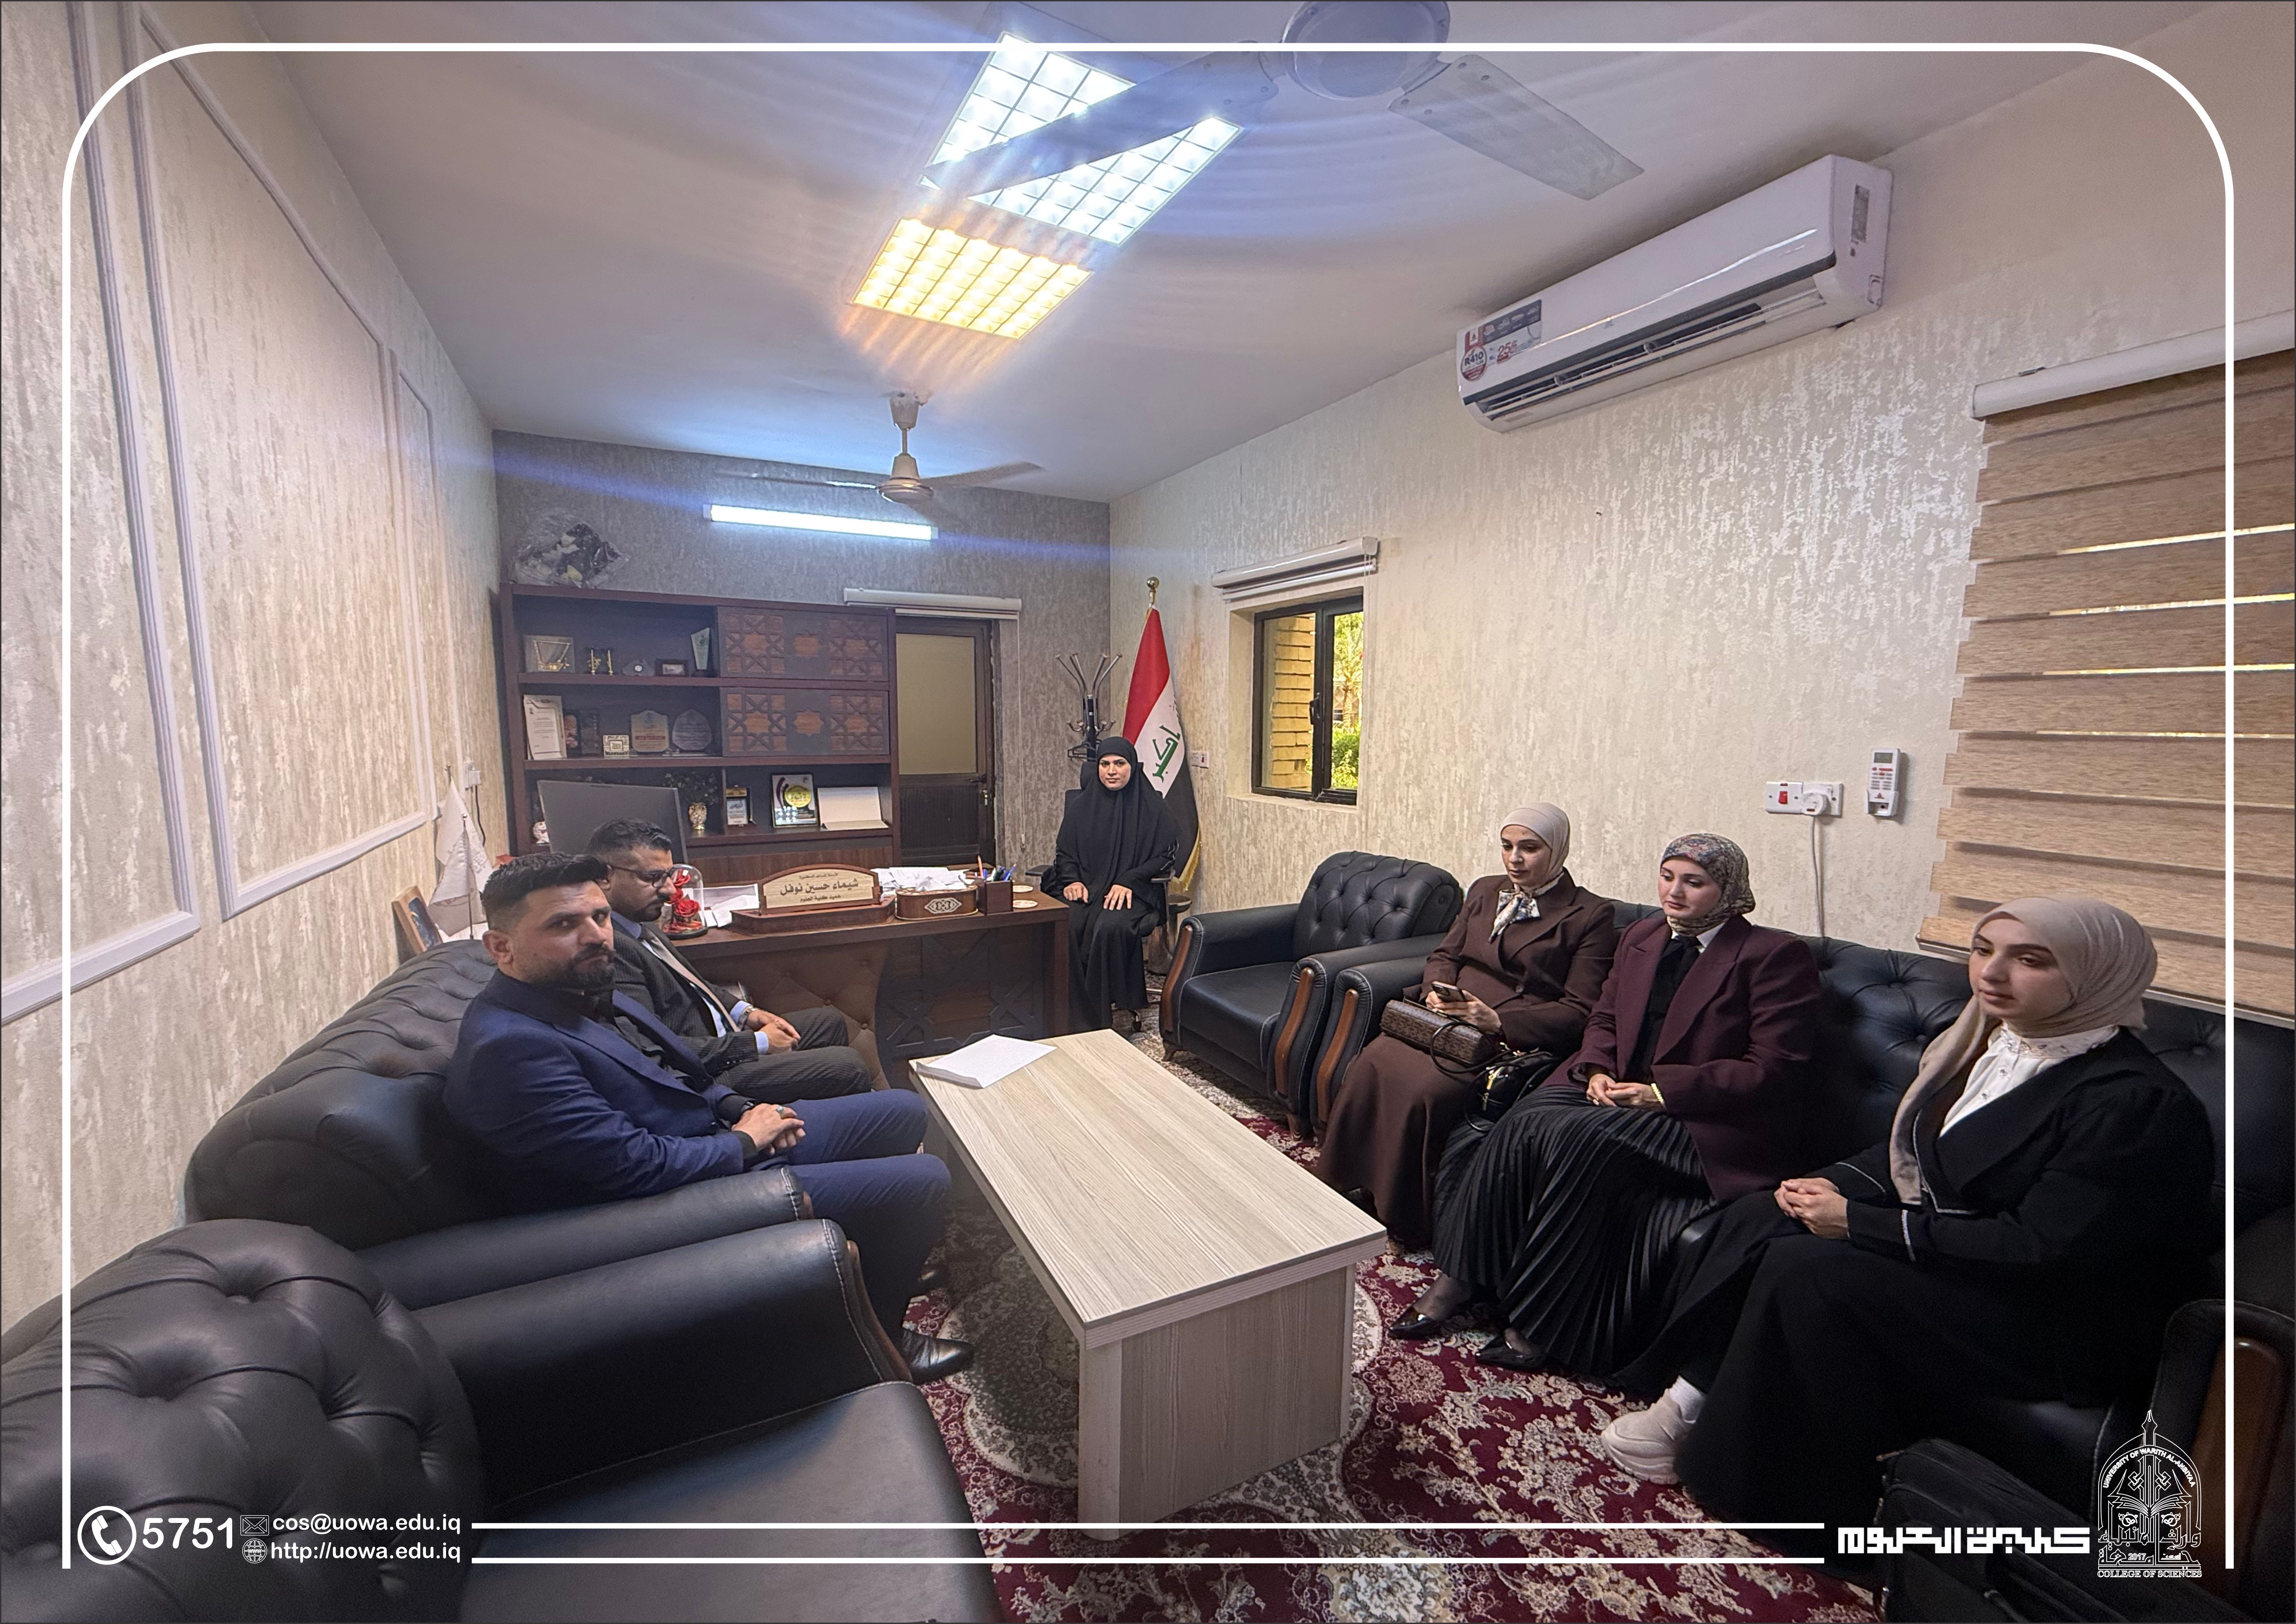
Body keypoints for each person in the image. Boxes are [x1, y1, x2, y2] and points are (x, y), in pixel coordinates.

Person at [1600, 897, 2212, 1549]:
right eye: (1983, 950)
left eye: (2031, 960)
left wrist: (1859, 1223)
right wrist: (1833, 1184)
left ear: (2098, 976)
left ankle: (1798, 1504)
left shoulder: (2135, 1102)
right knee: (1762, 1213)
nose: (1991, 972)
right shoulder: (1992, 1040)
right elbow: (1925, 1149)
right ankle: (1688, 1401)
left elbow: (2043, 1249)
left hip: (2048, 1316)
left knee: (1812, 1271)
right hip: (1971, 1255)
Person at [444, 852, 972, 1381]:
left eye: (599, 917)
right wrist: (745, 1141)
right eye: (563, 924)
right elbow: (634, 1167)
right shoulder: (510, 1049)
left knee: (902, 1110)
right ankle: (878, 1346)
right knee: (923, 1178)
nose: (595, 936)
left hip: (710, 1136)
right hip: (682, 1193)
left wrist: (739, 1107)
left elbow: (678, 1071)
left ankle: (875, 1259)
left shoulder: (572, 990)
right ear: (501, 947)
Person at [1396, 833, 1821, 1378]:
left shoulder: (1773, 956)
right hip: (1617, 1088)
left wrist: (1660, 1093)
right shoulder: (1643, 936)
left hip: (1702, 1119)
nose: (1674, 892)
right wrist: (1596, 1068)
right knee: (1526, 1118)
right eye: (1668, 877)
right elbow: (1603, 1019)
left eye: (1694, 882)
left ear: (1729, 890)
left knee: (1580, 1141)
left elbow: (1774, 1068)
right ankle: (1460, 1280)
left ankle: (1543, 1325)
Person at [1316, 804, 1617, 1249]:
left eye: (1530, 848)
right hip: (1444, 1017)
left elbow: (1580, 1010)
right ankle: (1348, 1181)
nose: (1515, 859)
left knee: (1426, 1090)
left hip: (1506, 1036)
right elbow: (1446, 954)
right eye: (1507, 846)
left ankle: (1402, 1214)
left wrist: (1499, 1021)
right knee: (1370, 1063)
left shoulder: (1590, 915)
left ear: (1557, 850)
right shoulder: (1485, 890)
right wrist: (1437, 991)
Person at [587, 818, 878, 1102]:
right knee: (849, 1066)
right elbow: (656, 1048)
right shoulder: (610, 947)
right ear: (605, 877)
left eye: (669, 875)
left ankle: (825, 1108)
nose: (671, 891)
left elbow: (695, 984)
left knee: (828, 1021)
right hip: (705, 1076)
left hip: (720, 1036)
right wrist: (758, 1043)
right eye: (652, 878)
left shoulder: (638, 922)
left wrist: (747, 1012)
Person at [1044, 736, 1179, 1031]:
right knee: (1065, 923)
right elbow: (1065, 853)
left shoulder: (1152, 807)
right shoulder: (1081, 807)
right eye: (1105, 764)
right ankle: (1064, 1011)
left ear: (1133, 767)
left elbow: (1165, 857)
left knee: (1109, 926)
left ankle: (1097, 1020)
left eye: (1120, 763)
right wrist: (1072, 880)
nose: (1112, 771)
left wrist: (1128, 880)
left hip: (1135, 892)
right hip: (1088, 889)